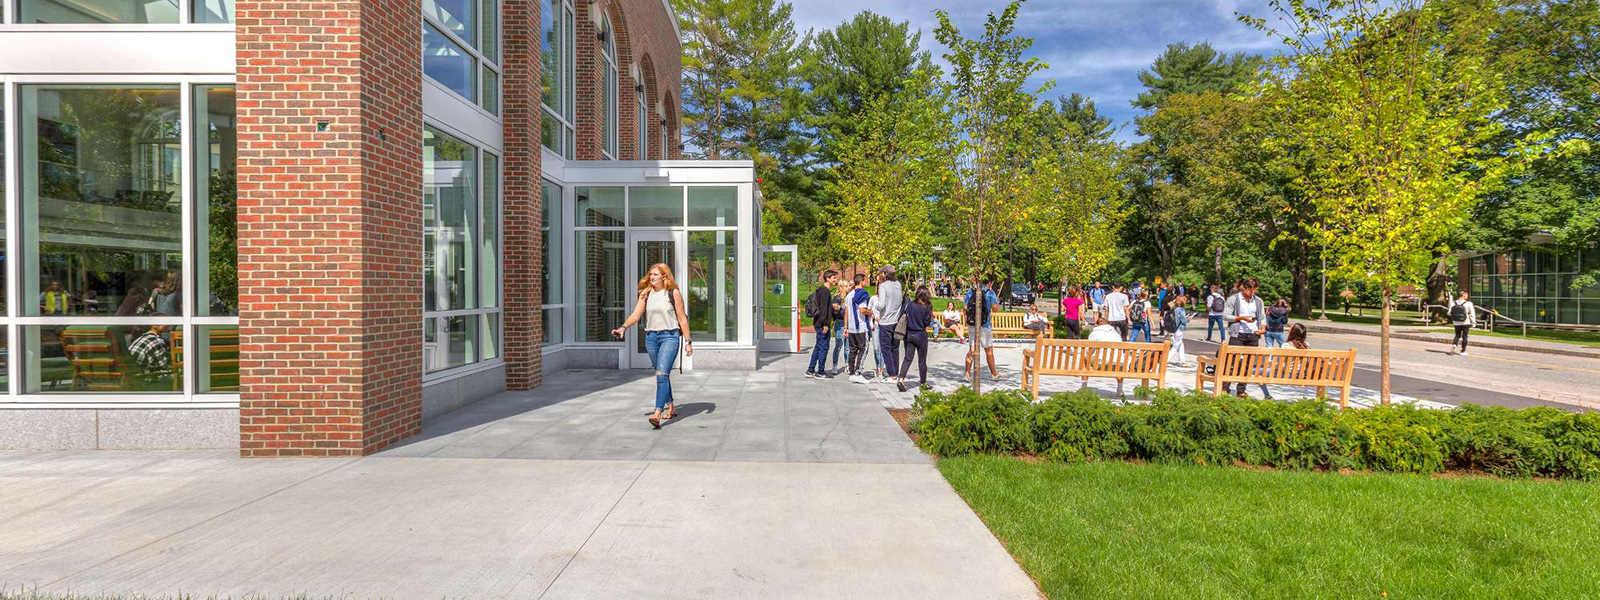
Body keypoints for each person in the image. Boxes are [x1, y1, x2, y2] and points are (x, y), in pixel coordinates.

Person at [612, 263, 695, 428]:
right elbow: (636, 315)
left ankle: (657, 413)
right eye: (651, 274)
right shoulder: (646, 294)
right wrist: (623, 327)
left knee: (661, 374)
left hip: (669, 337)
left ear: (664, 276)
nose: (652, 277)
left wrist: (688, 342)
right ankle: (670, 406)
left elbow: (682, 318)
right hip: (651, 338)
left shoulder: (673, 293)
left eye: (656, 274)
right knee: (661, 373)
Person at [1221, 277, 1271, 399]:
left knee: (1248, 363)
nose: (1252, 293)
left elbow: (1262, 316)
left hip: (1253, 333)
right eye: (1250, 290)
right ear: (1244, 288)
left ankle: (1241, 390)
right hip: (1238, 333)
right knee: (1232, 361)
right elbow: (1225, 315)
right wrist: (1241, 318)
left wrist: (1263, 328)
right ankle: (1225, 387)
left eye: (1255, 291)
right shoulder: (1234, 299)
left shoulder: (1258, 301)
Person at [803, 269, 840, 379]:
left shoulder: (821, 290)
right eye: (834, 278)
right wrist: (825, 324)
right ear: (828, 278)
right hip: (822, 323)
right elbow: (823, 309)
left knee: (818, 347)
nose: (835, 280)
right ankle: (820, 372)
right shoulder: (825, 292)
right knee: (823, 347)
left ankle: (810, 370)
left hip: (818, 322)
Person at [897, 286, 935, 392]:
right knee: (922, 361)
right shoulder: (927, 306)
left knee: (907, 358)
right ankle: (923, 383)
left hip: (909, 334)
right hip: (921, 334)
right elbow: (927, 322)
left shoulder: (910, 304)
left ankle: (901, 379)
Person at [963, 276, 1002, 380]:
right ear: (989, 282)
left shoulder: (971, 291)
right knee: (988, 350)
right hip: (985, 325)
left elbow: (965, 308)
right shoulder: (990, 293)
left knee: (971, 349)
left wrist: (968, 320)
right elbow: (995, 309)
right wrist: (995, 299)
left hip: (972, 324)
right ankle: (994, 374)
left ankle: (967, 373)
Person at [875, 266, 905, 380]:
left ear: (885, 274)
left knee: (885, 348)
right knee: (895, 348)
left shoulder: (883, 286)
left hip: (886, 322)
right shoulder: (898, 284)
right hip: (896, 321)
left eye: (881, 273)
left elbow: (881, 305)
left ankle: (891, 374)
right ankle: (895, 372)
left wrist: (875, 303)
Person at [845, 274, 873, 383]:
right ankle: (858, 372)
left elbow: (846, 312)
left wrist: (846, 327)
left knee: (853, 350)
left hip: (851, 327)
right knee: (864, 349)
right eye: (865, 280)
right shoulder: (862, 294)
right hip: (861, 327)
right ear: (861, 282)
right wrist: (871, 312)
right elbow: (862, 310)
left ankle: (851, 372)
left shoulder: (849, 295)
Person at [829, 277, 852, 375]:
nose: (849, 287)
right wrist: (842, 308)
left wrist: (842, 308)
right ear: (842, 287)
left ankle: (847, 365)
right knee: (838, 345)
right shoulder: (837, 297)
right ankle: (835, 366)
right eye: (846, 286)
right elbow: (835, 309)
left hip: (849, 323)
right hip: (840, 323)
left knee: (848, 347)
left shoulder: (849, 296)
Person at [1448, 291, 1476, 356]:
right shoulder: (1468, 303)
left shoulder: (1453, 303)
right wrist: (1473, 322)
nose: (1467, 296)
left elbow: (1449, 312)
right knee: (1465, 336)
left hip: (1456, 322)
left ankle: (1454, 344)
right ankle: (1463, 351)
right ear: (1464, 295)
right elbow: (1472, 314)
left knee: (1457, 335)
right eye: (1467, 295)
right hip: (1466, 322)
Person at [1168, 295, 1191, 365]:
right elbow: (1184, 321)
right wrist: (1188, 318)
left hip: (1175, 328)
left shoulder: (1175, 308)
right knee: (1176, 345)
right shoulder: (1181, 309)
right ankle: (1166, 359)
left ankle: (1182, 360)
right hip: (1179, 329)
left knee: (1181, 344)